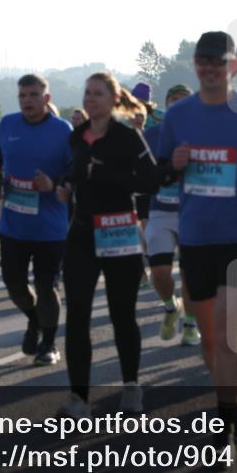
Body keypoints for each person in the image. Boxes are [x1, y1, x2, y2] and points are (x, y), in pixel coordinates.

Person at [156, 31, 237, 453]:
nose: (209, 68)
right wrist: (173, 164)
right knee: (210, 339)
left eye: (217, 60)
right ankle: (233, 400)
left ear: (232, 64)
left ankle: (226, 420)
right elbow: (160, 170)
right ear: (195, 64)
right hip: (195, 236)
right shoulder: (179, 115)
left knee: (228, 332)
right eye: (202, 61)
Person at [55, 73, 164, 420]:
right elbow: (77, 172)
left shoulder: (127, 136)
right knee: (76, 317)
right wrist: (66, 185)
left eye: (97, 94)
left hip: (119, 231)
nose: (90, 99)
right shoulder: (77, 136)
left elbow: (152, 179)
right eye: (87, 93)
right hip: (83, 233)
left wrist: (112, 178)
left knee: (121, 315)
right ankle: (78, 399)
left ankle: (131, 386)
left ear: (113, 99)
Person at [0, 74, 72, 365]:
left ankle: (49, 343)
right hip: (13, 223)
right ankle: (35, 319)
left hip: (51, 226)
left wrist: (54, 183)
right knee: (13, 284)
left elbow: (74, 173)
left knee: (47, 285)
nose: (27, 101)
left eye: (33, 95)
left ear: (46, 99)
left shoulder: (63, 130)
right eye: (22, 96)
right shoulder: (7, 124)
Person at [143, 84, 200, 347]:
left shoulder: (203, 134)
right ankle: (170, 307)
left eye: (183, 101)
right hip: (160, 212)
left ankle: (189, 324)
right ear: (166, 105)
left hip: (192, 214)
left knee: (190, 274)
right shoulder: (151, 135)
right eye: (173, 100)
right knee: (160, 273)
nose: (178, 106)